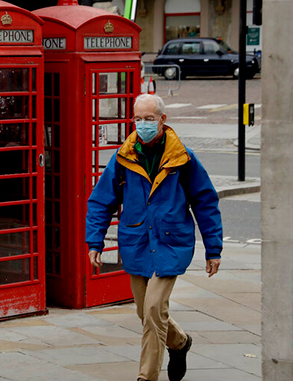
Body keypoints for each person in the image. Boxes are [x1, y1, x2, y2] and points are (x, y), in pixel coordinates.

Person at [85, 94, 223, 381]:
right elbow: (100, 201)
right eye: (138, 119)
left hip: (171, 243)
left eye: (149, 119)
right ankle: (180, 342)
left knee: (153, 308)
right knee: (144, 312)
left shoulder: (183, 157)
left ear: (162, 119)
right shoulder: (124, 156)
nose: (143, 124)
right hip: (137, 242)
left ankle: (146, 377)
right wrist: (95, 241)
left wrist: (214, 249)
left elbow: (205, 203)